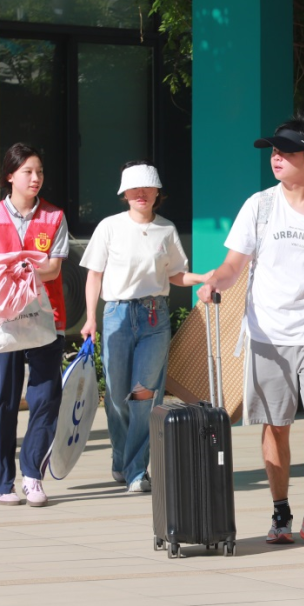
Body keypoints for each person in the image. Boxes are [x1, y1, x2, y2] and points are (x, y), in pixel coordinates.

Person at [198, 112, 304, 548]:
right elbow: (234, 265)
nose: (276, 157)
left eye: (286, 152)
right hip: (268, 334)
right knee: (276, 426)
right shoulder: (258, 207)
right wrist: (216, 281)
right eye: (273, 151)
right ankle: (280, 511)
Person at [79, 161, 209, 493]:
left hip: (154, 318)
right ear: (124, 194)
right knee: (117, 395)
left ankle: (137, 469)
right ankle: (121, 458)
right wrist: (91, 318)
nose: (141, 194)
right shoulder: (109, 227)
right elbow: (94, 275)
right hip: (116, 316)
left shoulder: (166, 229)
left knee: (144, 395)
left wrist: (202, 278)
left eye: (147, 188)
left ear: (156, 192)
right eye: (134, 189)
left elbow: (175, 274)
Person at [0, 143, 67, 507]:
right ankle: (2, 483)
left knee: (47, 397)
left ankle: (33, 474)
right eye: (27, 172)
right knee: (3, 402)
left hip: (45, 319)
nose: (35, 178)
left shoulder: (54, 217)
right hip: (3, 321)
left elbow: (53, 268)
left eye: (39, 171)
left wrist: (22, 268)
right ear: (10, 175)